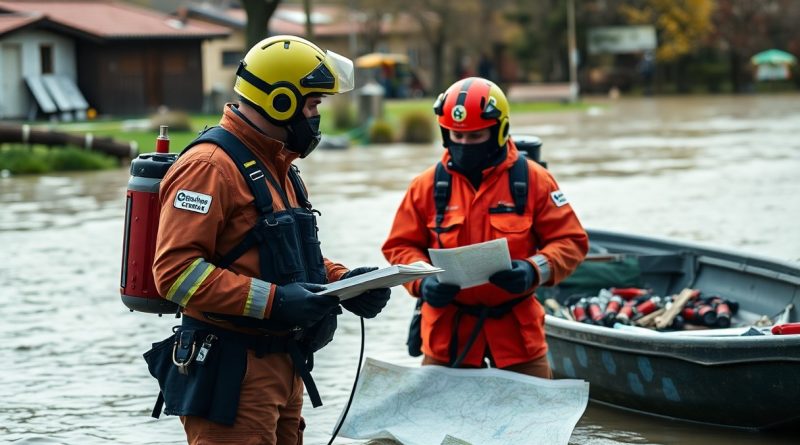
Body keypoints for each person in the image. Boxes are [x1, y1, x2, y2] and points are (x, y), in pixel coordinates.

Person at [145, 35, 391, 445]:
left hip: (283, 365)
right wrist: (276, 301)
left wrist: (345, 284)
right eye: (312, 105)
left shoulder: (277, 162)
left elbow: (283, 254)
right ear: (281, 101)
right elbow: (175, 274)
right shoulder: (209, 167)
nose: (316, 116)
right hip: (232, 372)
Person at [381, 77, 588, 378]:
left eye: (475, 137)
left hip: (518, 338)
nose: (464, 146)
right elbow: (399, 247)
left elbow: (571, 241)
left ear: (499, 131)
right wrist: (422, 283)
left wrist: (533, 270)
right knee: (437, 423)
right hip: (447, 339)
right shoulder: (425, 186)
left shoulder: (534, 181)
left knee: (534, 422)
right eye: (457, 136)